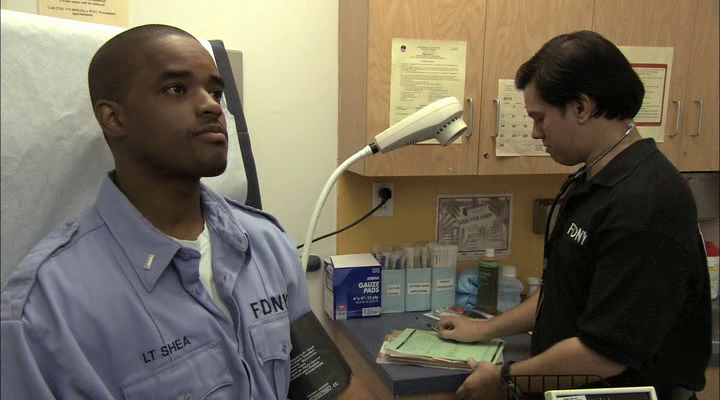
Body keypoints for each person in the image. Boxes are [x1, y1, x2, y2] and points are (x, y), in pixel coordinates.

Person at [0, 24, 373, 399]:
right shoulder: (45, 309)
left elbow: (322, 385)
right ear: (114, 118)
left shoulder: (265, 244)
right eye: (176, 89)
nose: (212, 106)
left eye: (215, 92)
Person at [438, 31, 711, 400]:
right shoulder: (593, 181)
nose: (536, 133)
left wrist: (505, 378)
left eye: (540, 118)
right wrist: (483, 329)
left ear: (581, 107)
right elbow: (561, 292)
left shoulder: (648, 201)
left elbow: (603, 355)